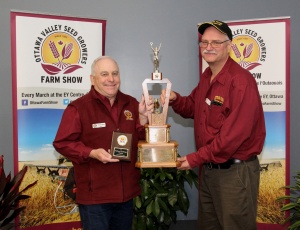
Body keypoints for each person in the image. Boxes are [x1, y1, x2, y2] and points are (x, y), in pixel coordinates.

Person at [161, 20, 266, 230]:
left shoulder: (240, 81)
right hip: (210, 171)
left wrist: (194, 159)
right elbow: (193, 106)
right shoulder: (207, 76)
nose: (208, 47)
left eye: (216, 42)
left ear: (229, 46)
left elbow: (231, 139)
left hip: (234, 174)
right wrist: (173, 98)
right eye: (204, 42)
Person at [53, 56, 152, 230]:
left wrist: (143, 119)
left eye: (115, 73)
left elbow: (143, 140)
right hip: (95, 199)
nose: (111, 79)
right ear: (93, 79)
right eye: (104, 74)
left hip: (125, 196)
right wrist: (91, 153)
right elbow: (62, 143)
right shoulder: (78, 108)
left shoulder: (132, 103)